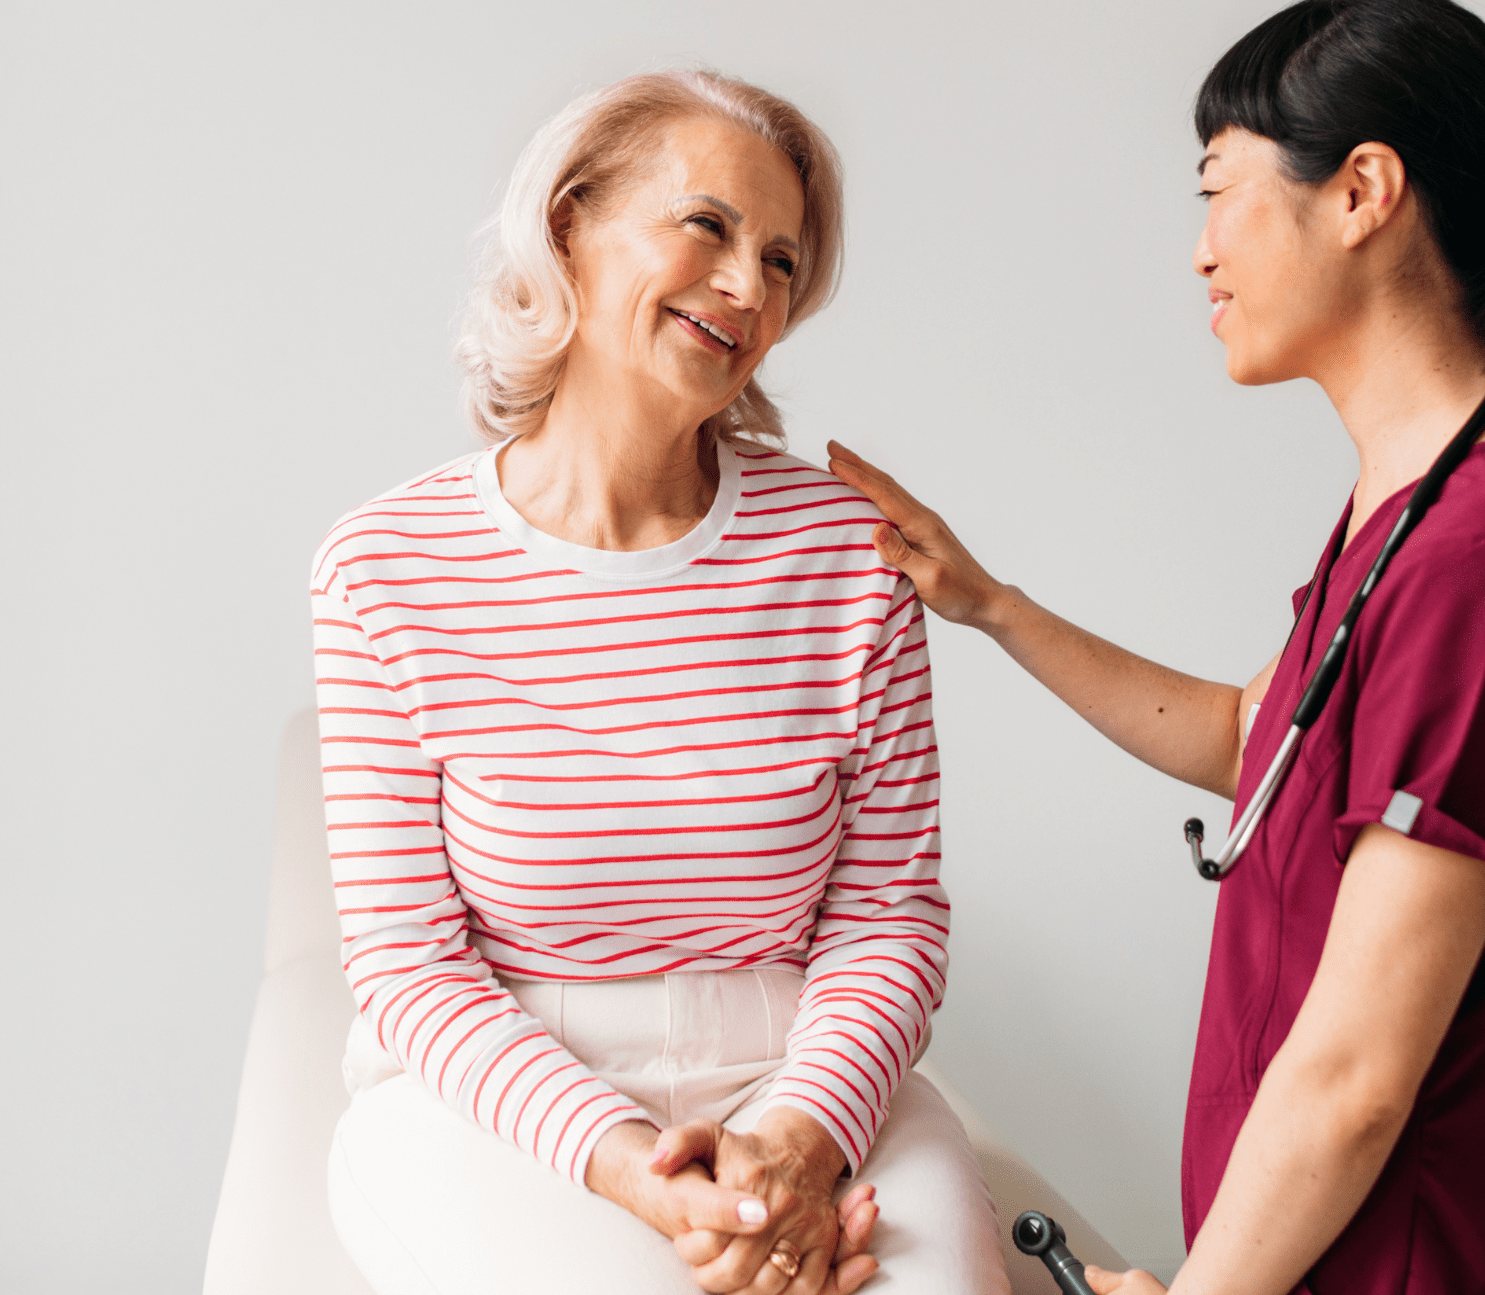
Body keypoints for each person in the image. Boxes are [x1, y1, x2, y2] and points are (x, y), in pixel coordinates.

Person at [830, 0, 1485, 1294]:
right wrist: (989, 604)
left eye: (1217, 189)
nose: (1200, 249)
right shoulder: (1419, 511)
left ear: (1362, 193)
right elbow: (1264, 739)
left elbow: (1357, 1079)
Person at [312, 70, 1008, 1295]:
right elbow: (409, 965)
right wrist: (635, 1165)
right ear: (569, 224)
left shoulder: (847, 552)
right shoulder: (384, 567)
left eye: (783, 261)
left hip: (800, 1075)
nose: (749, 287)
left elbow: (889, 918)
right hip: (498, 1099)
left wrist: (797, 1142)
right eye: (708, 226)